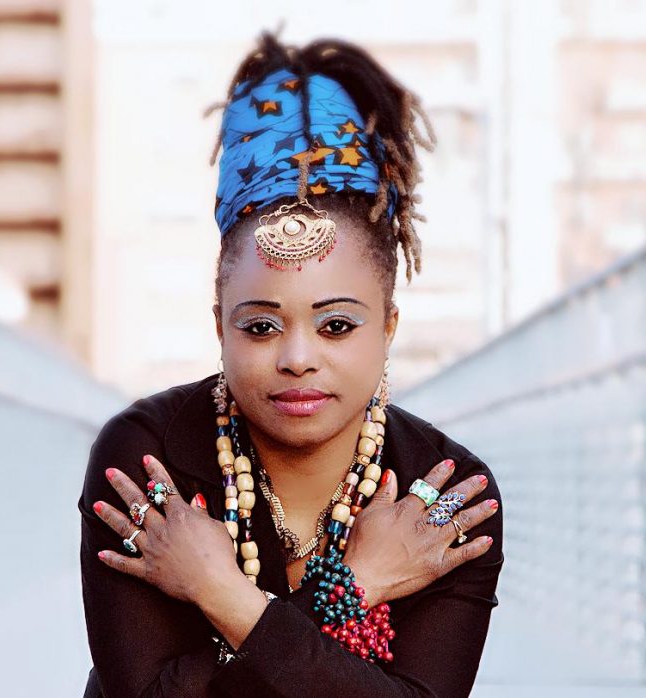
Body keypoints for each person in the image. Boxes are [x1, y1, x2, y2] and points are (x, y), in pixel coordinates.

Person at [78, 32, 504, 697]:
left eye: (336, 326)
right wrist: (357, 586)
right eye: (260, 327)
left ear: (388, 327)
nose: (298, 359)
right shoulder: (148, 459)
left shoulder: (444, 495)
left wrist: (219, 591)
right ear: (219, 327)